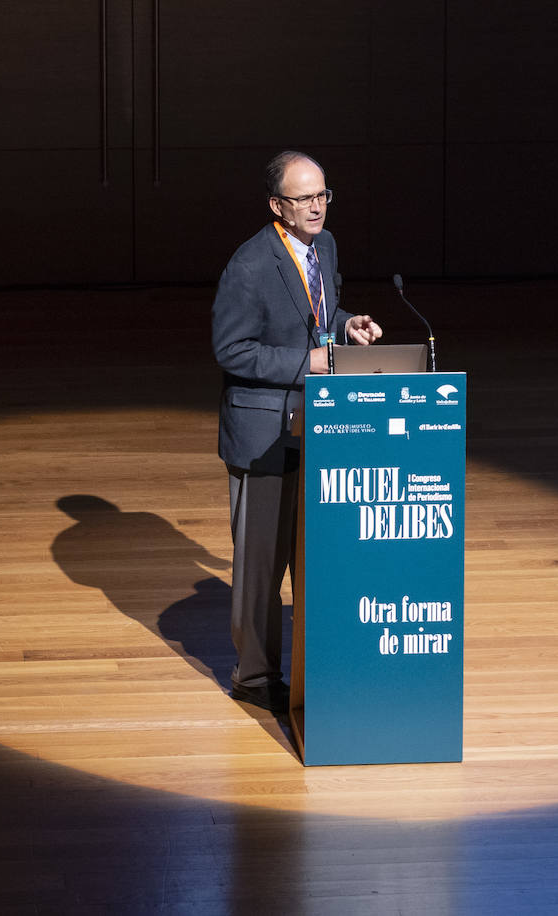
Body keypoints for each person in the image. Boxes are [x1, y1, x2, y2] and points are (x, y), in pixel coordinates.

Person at [211, 151, 382, 712]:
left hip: (319, 426)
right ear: (276, 206)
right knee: (261, 566)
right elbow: (231, 350)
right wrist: (309, 361)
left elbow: (318, 317)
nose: (316, 207)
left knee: (309, 554)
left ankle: (312, 669)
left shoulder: (324, 247)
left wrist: (346, 325)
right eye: (303, 198)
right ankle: (256, 679)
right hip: (263, 433)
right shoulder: (250, 264)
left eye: (323, 195)